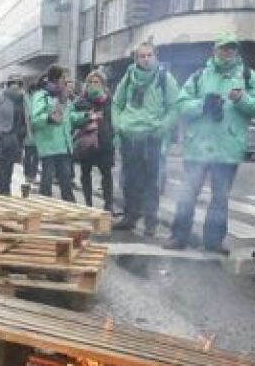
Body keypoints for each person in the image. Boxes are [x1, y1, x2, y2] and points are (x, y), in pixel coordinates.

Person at [165, 33, 255, 253]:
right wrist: (202, 104)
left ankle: (214, 241)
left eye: (231, 49)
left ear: (237, 52)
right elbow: (181, 105)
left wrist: (242, 99)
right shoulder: (198, 76)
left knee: (220, 197)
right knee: (188, 194)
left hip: (228, 148)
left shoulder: (250, 77)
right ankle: (178, 236)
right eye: (223, 49)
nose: (227, 53)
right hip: (197, 148)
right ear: (214, 51)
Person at [112, 42, 179, 235]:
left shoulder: (165, 78)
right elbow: (117, 104)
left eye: (149, 55)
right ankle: (130, 216)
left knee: (152, 181)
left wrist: (162, 128)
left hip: (152, 137)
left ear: (155, 56)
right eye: (142, 56)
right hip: (129, 137)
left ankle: (151, 221)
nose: (146, 59)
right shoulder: (128, 77)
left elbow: (175, 107)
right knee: (129, 180)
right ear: (136, 58)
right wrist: (119, 125)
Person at [30, 65, 80, 202]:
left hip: (64, 146)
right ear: (56, 79)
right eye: (64, 78)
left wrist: (86, 117)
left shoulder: (64, 97)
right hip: (49, 146)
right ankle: (44, 210)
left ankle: (71, 211)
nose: (67, 81)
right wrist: (49, 118)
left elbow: (70, 117)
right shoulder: (41, 96)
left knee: (66, 182)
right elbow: (35, 119)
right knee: (46, 182)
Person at [73, 71, 116, 212]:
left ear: (103, 84)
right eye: (90, 82)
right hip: (87, 142)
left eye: (96, 82)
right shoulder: (81, 101)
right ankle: (88, 204)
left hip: (104, 142)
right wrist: (88, 118)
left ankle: (108, 205)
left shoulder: (110, 100)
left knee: (106, 174)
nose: (93, 85)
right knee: (85, 173)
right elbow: (73, 118)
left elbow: (114, 120)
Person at [0, 76, 28, 196]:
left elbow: (26, 119)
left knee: (10, 166)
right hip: (2, 137)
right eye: (12, 83)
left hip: (16, 138)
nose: (15, 86)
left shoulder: (24, 99)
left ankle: (6, 190)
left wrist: (22, 132)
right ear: (8, 84)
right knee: (3, 166)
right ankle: (1, 192)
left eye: (18, 83)